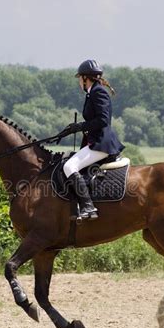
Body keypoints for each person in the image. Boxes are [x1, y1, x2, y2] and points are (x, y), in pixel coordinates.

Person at [60, 59, 125, 221]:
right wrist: (76, 127)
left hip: (102, 143)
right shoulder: (92, 92)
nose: (78, 83)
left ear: (84, 78)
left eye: (79, 79)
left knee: (69, 166)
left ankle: (88, 207)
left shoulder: (98, 92)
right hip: (95, 141)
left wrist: (81, 126)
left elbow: (103, 120)